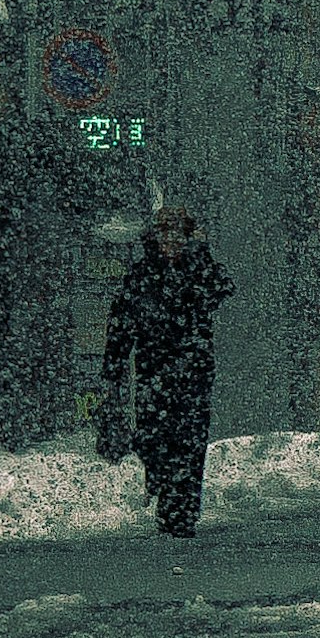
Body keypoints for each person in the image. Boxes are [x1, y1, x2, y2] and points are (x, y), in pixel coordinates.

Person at [101, 203, 232, 537]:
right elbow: (121, 323)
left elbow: (221, 288)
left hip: (193, 373)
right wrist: (113, 368)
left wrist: (201, 253)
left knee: (189, 443)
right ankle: (162, 490)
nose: (171, 240)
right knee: (153, 440)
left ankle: (183, 511)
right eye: (165, 233)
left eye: (178, 233)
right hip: (153, 372)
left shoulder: (197, 269)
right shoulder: (143, 273)